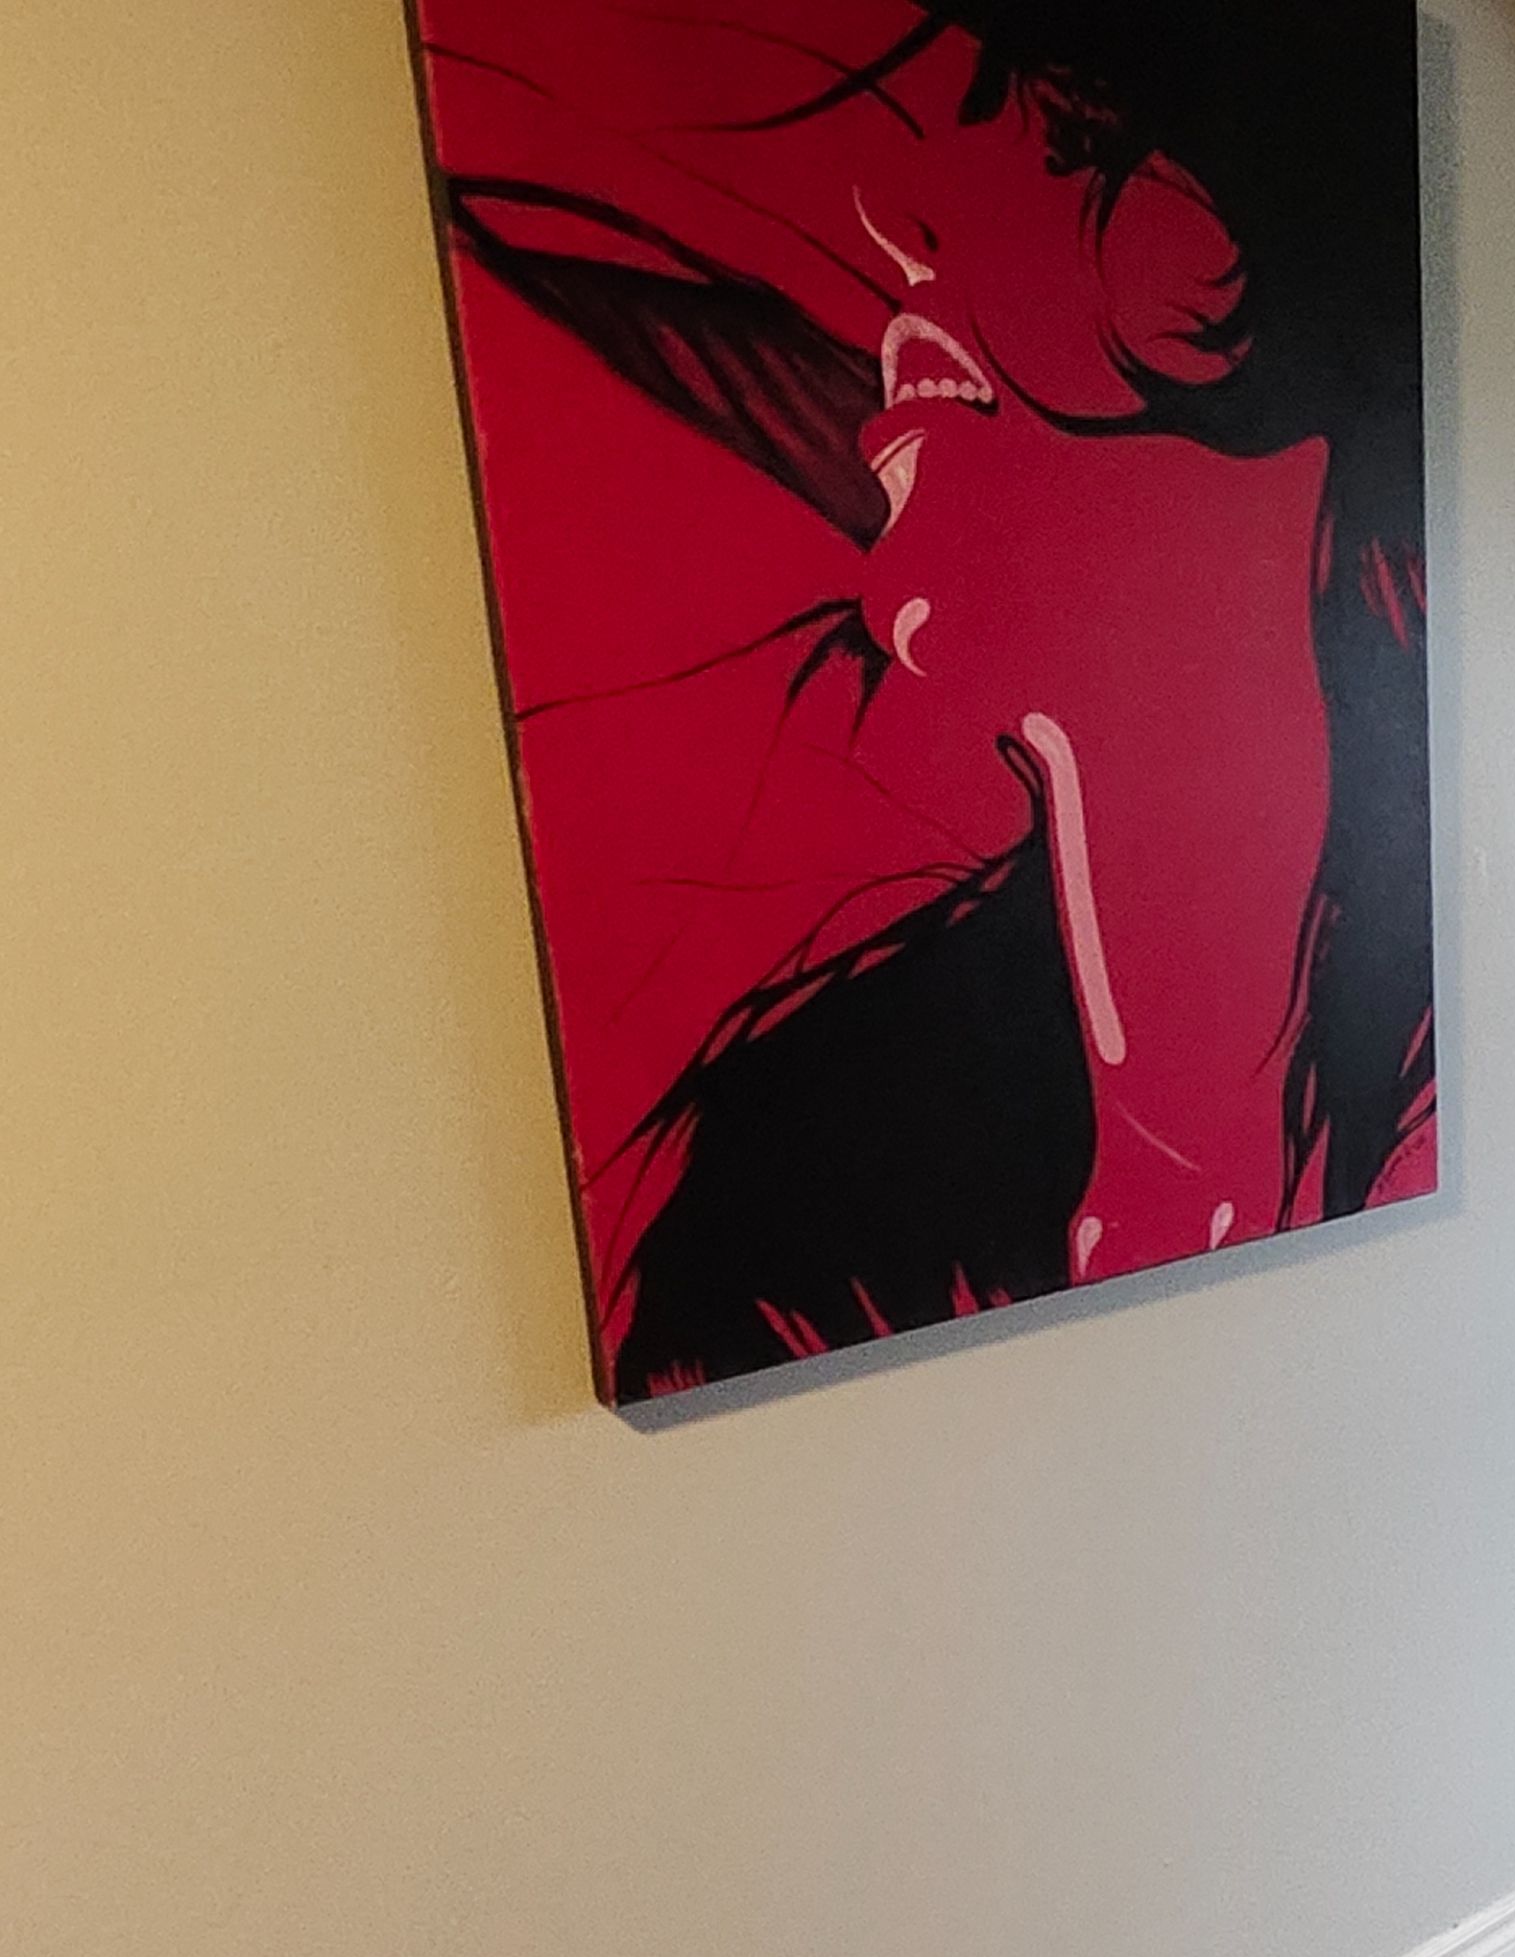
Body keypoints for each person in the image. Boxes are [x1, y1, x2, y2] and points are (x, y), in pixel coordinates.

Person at [414, 0, 1433, 1396]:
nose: (891, 237)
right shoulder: (802, 1199)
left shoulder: (1456, 1074)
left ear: (1226, 265)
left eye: (1066, 141)